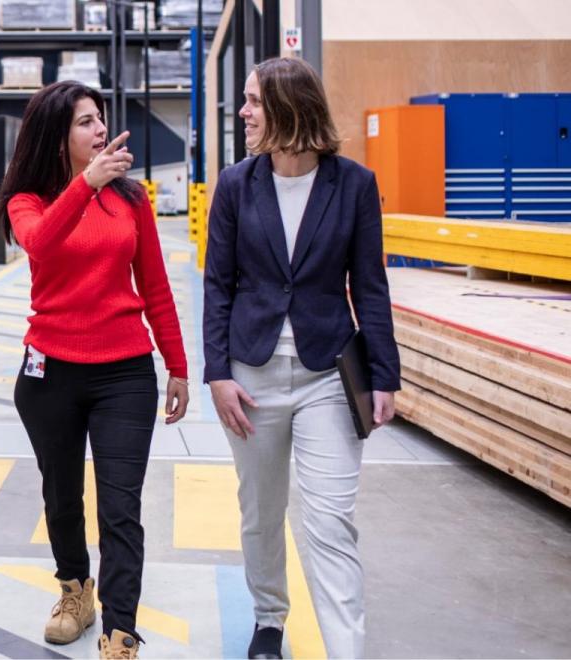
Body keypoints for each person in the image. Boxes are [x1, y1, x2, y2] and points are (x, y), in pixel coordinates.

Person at [202, 57, 400, 659]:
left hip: (327, 378)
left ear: (290, 106)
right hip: (252, 375)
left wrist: (385, 375)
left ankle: (347, 648)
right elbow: (218, 284)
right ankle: (269, 620)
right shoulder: (237, 184)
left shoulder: (354, 185)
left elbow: (370, 285)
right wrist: (216, 374)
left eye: (254, 101)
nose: (244, 112)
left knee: (331, 522)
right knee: (261, 513)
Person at [0, 81, 190, 660]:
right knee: (62, 496)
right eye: (85, 122)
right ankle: (75, 590)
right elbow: (43, 245)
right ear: (57, 135)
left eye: (101, 119)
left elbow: (153, 283)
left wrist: (176, 364)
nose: (100, 130)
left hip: (125, 371)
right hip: (49, 373)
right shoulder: (28, 200)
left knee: (121, 505)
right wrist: (86, 185)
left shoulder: (133, 199)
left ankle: (119, 630)